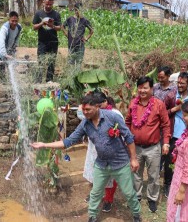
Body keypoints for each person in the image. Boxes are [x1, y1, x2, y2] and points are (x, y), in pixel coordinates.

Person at [31, 94, 142, 222]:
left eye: (88, 109)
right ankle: (92, 216)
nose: (85, 112)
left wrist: (133, 159)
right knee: (95, 193)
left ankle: (136, 214)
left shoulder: (112, 117)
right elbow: (68, 141)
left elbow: (128, 137)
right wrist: (44, 145)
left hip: (120, 163)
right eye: (83, 109)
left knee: (129, 193)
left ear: (97, 106)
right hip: (101, 164)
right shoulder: (85, 124)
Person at [125, 76, 170, 213]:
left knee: (153, 175)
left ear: (151, 89)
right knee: (136, 174)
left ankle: (152, 198)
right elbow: (127, 122)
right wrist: (127, 138)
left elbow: (166, 125)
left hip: (153, 148)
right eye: (140, 87)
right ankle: (136, 196)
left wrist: (166, 143)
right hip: (136, 147)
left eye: (145, 87)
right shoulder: (133, 103)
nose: (142, 90)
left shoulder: (158, 104)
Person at [78, 92, 124, 213]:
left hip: (111, 152)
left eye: (98, 105)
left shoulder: (115, 114)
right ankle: (96, 195)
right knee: (96, 174)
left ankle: (108, 199)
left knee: (110, 177)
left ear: (105, 102)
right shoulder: (92, 113)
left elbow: (122, 134)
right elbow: (80, 115)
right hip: (94, 150)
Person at [164, 72, 188, 197]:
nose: (179, 85)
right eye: (178, 83)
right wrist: (175, 109)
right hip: (173, 134)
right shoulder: (171, 96)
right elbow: (162, 114)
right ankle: (167, 184)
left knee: (185, 161)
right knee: (169, 159)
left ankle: (181, 184)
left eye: (182, 83)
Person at [32, 0, 61, 83]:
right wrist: (41, 23)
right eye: (47, 4)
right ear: (44, 2)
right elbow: (34, 27)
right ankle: (38, 81)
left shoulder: (56, 14)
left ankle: (49, 81)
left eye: (50, 4)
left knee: (51, 62)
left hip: (53, 42)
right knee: (40, 61)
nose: (48, 6)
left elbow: (59, 28)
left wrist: (52, 26)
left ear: (53, 4)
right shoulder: (38, 13)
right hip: (42, 42)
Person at [61, 3, 94, 69]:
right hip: (71, 45)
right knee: (70, 63)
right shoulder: (70, 19)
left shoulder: (84, 20)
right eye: (76, 10)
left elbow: (91, 31)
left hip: (80, 45)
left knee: (78, 63)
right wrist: (67, 35)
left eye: (79, 10)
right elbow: (62, 26)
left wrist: (86, 38)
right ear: (74, 10)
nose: (77, 12)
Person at [0, 11, 22, 82]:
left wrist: (14, 49)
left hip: (9, 47)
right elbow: (1, 42)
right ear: (9, 20)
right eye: (12, 21)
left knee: (11, 65)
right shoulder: (5, 28)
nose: (14, 23)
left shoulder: (18, 27)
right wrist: (5, 54)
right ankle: (3, 82)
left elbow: (17, 38)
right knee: (2, 65)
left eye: (16, 21)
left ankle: (11, 82)